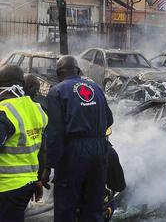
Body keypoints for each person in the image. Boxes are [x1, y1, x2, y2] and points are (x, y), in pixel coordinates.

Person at [41, 56, 113, 222]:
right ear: (79, 71)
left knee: (66, 206)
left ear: (59, 73)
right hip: (99, 150)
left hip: (73, 153)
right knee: (94, 205)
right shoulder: (96, 88)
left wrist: (48, 167)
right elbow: (109, 120)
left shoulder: (57, 91)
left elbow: (55, 134)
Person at [0, 65, 48, 222]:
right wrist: (39, 179)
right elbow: (41, 148)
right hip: (28, 183)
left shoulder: (5, 111)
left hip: (7, 186)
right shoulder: (36, 109)